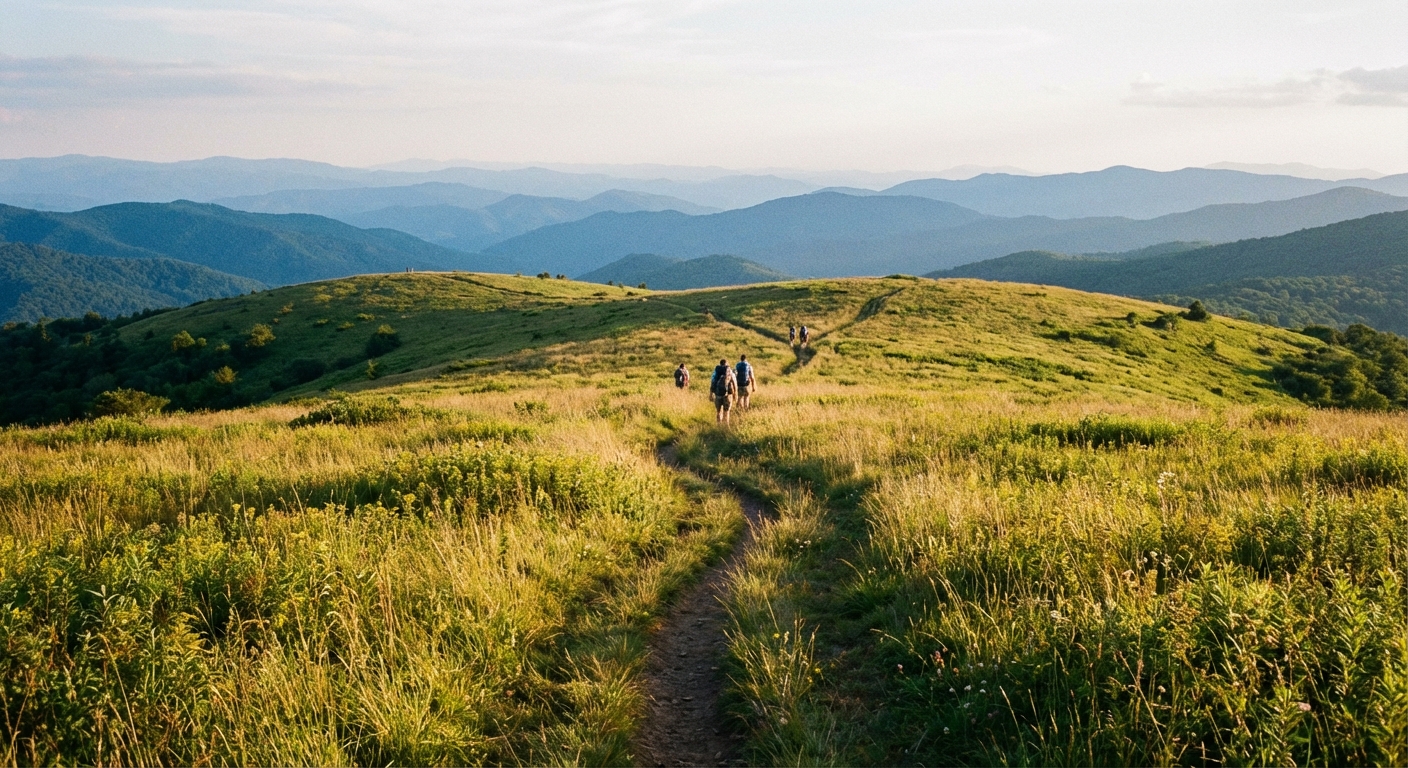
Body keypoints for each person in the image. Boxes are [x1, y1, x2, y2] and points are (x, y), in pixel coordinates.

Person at [710, 358, 737, 424]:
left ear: (720, 364)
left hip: (718, 394)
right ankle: (725, 426)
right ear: (726, 364)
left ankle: (718, 425)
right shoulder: (729, 371)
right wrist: (735, 394)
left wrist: (710, 394)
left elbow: (712, 382)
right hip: (727, 395)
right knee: (726, 411)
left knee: (718, 411)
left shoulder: (716, 372)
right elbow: (734, 383)